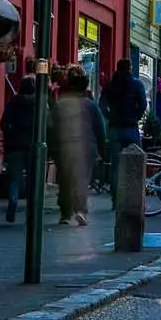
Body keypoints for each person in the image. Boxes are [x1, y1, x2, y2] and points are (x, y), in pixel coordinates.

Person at [49, 66, 103, 227]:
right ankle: (80, 210)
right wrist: (102, 149)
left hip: (64, 147)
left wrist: (52, 148)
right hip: (86, 147)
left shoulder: (60, 104)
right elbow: (100, 128)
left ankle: (65, 213)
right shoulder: (91, 105)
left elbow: (51, 128)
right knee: (82, 179)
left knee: (65, 180)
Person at [0, 75, 39, 224]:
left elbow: (3, 123)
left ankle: (13, 199)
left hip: (14, 146)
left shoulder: (13, 102)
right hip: (32, 147)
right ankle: (32, 207)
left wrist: (11, 132)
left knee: (14, 179)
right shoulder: (37, 104)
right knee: (33, 178)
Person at [100, 59, 146, 152]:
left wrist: (110, 116)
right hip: (131, 127)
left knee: (115, 158)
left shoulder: (110, 85)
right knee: (134, 158)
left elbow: (102, 105)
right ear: (130, 68)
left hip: (115, 128)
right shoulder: (137, 84)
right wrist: (136, 116)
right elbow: (143, 104)